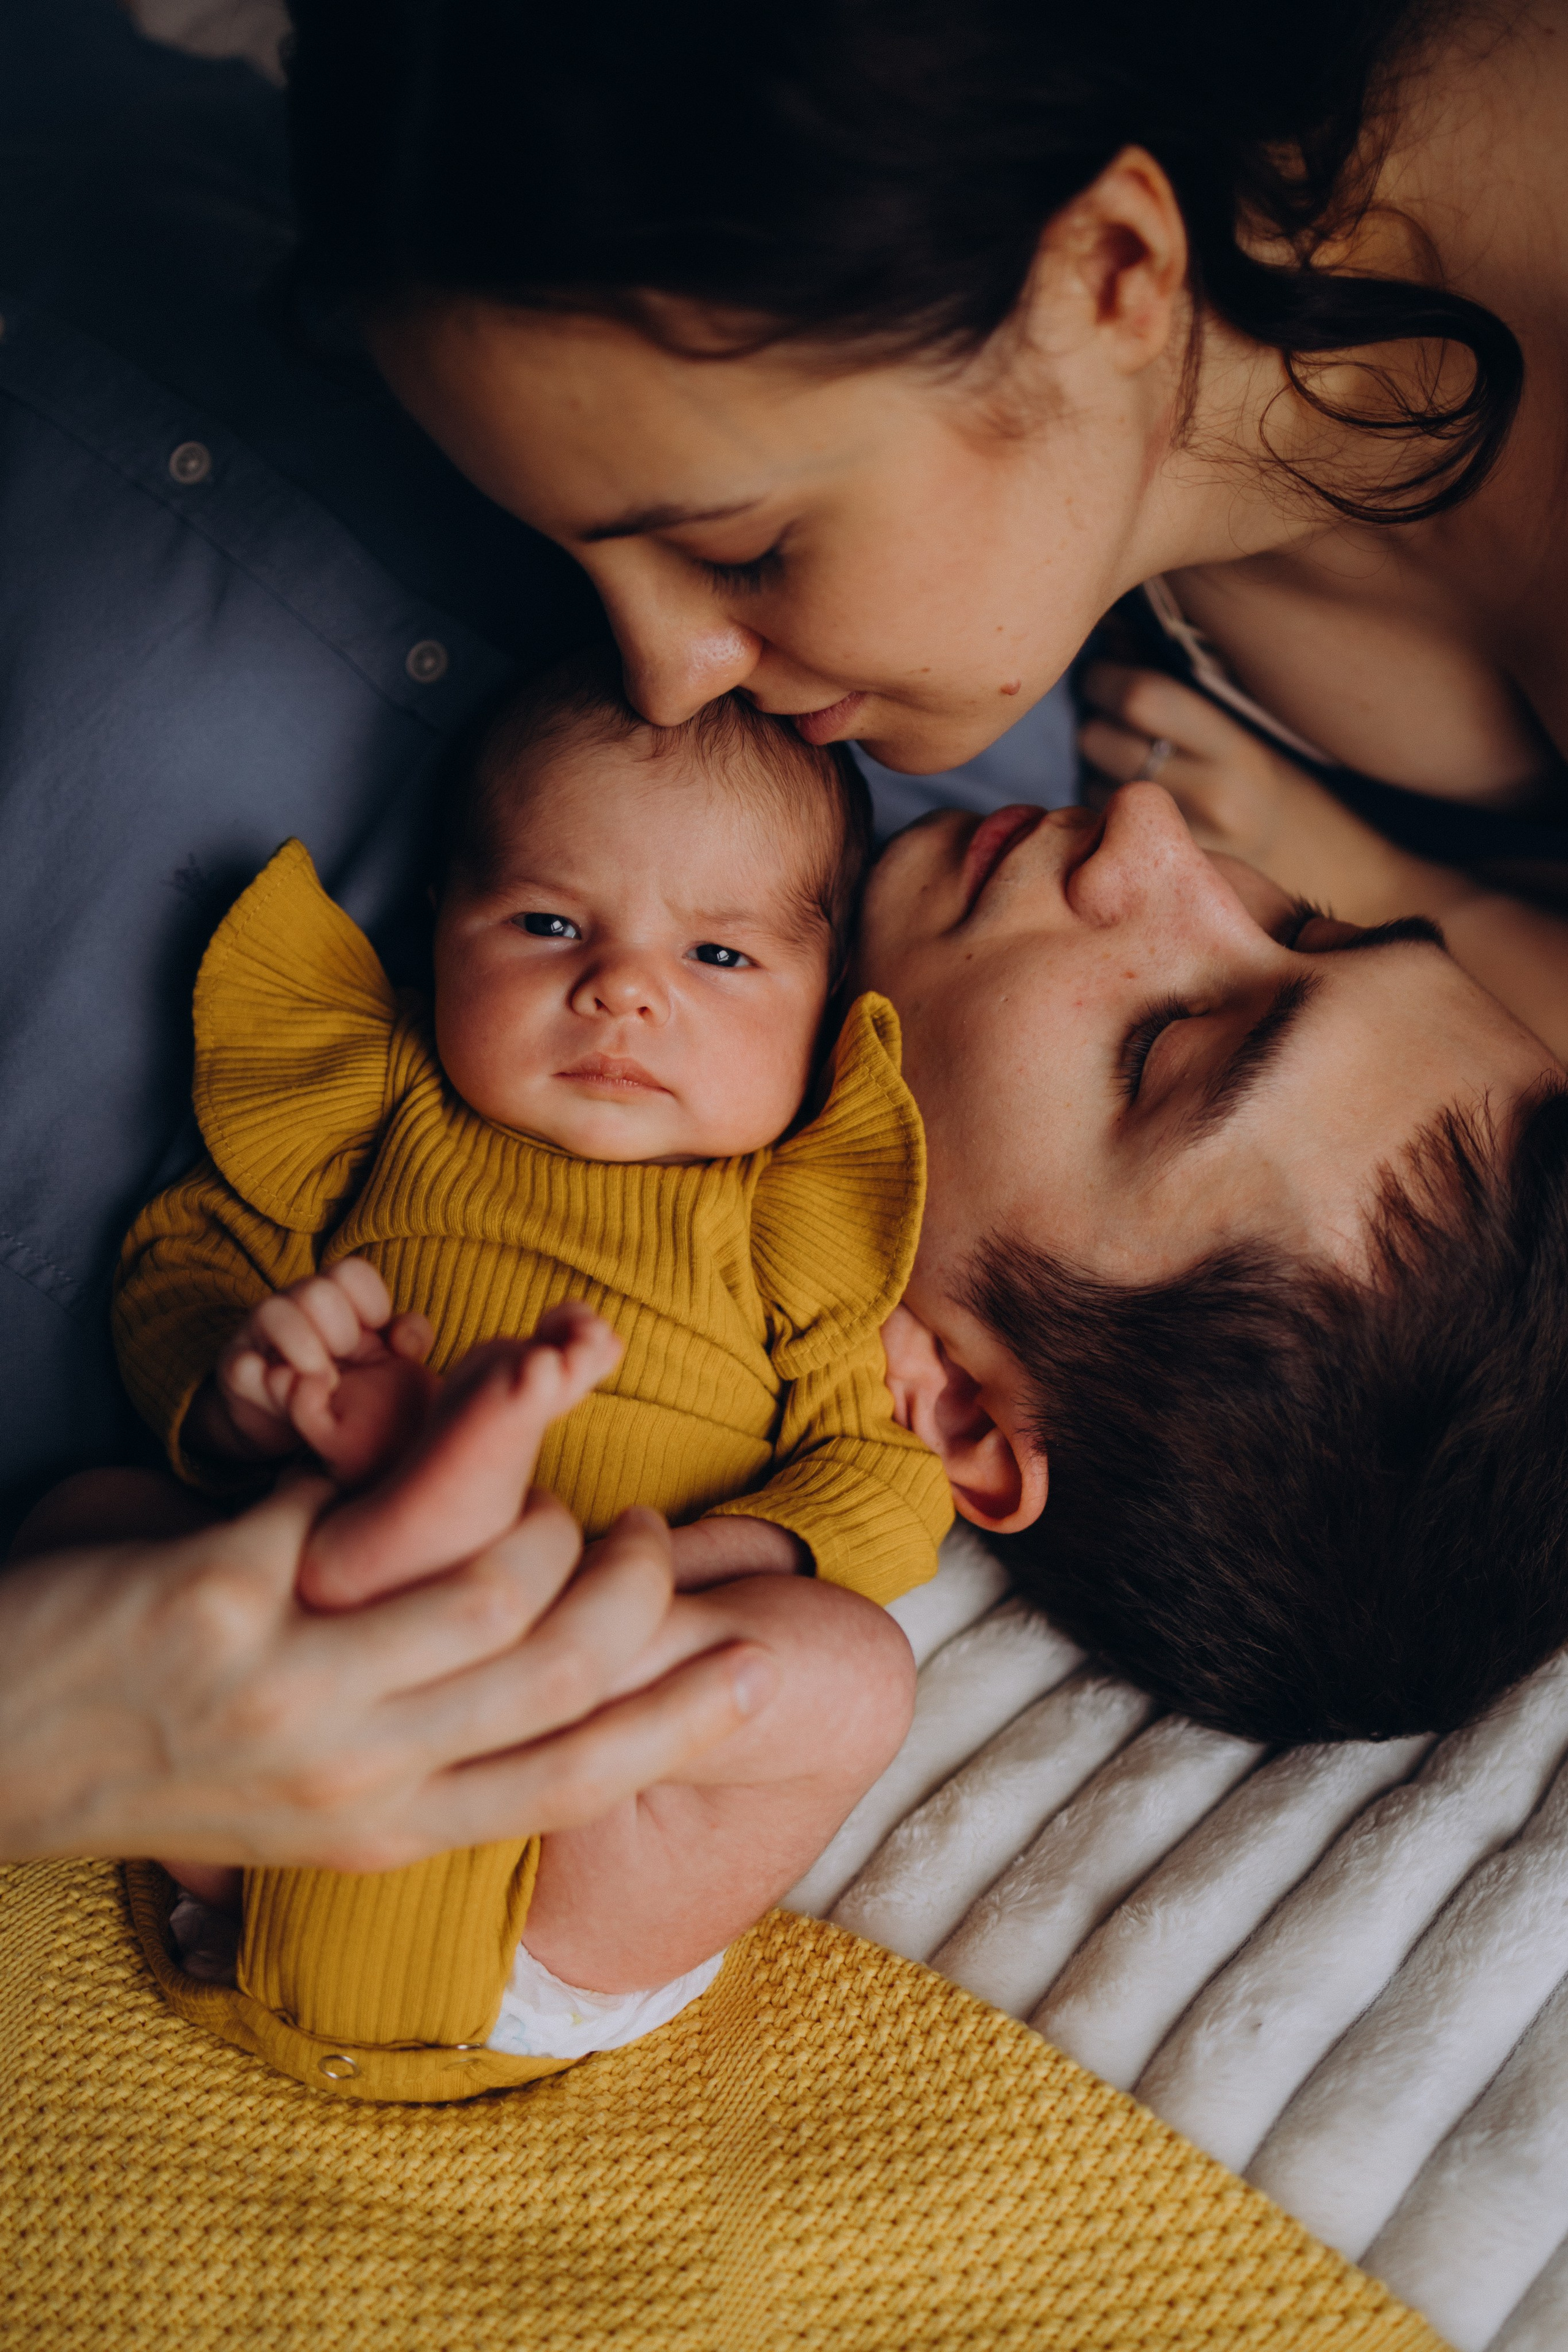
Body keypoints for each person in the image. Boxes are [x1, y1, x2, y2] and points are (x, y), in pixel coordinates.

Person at [94, 652, 945, 2095]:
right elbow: (181, 1260)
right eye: (550, 923)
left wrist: (673, 1580)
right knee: (89, 1517)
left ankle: (451, 1529)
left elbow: (880, 1482)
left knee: (853, 1675)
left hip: (574, 1875)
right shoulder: (380, 1105)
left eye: (718, 957)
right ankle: (410, 1517)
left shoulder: (783, 1226)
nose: (620, 989)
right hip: (269, 1766)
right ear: (443, 935)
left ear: (823, 1006)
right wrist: (247, 1385)